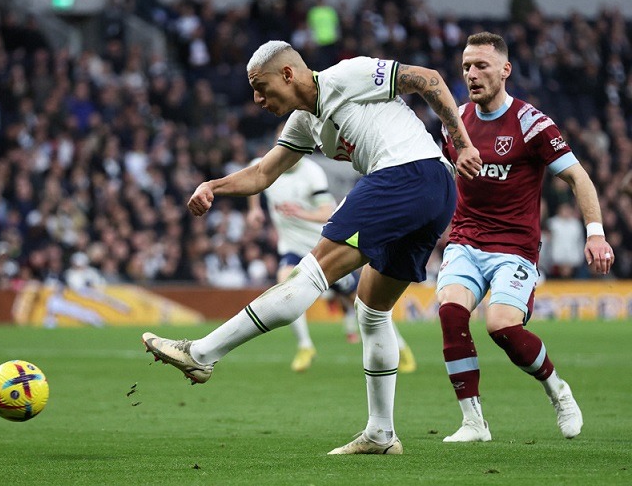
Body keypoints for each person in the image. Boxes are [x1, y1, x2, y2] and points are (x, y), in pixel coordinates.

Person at [143, 40, 481, 455]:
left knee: (310, 273)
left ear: (288, 74)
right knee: (372, 309)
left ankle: (201, 353)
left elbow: (427, 79)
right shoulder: (304, 123)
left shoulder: (348, 74)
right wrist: (213, 186)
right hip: (434, 192)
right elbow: (262, 173)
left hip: (406, 173)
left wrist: (463, 143)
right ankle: (381, 434)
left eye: (261, 87)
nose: (257, 99)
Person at [436, 32, 614, 443]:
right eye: (466, 67)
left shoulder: (532, 123)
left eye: (481, 65)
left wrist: (596, 235)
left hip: (514, 248)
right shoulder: (455, 123)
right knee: (450, 313)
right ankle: (473, 422)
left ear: (505, 70)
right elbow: (444, 176)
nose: (471, 74)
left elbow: (579, 177)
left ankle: (558, 390)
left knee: (501, 326)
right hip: (465, 239)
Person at [246, 127, 416, 373]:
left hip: (322, 248)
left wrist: (300, 213)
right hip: (292, 248)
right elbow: (254, 180)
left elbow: (328, 212)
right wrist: (254, 209)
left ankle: (400, 347)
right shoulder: (263, 165)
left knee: (362, 303)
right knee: (284, 286)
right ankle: (305, 346)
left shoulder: (312, 173)